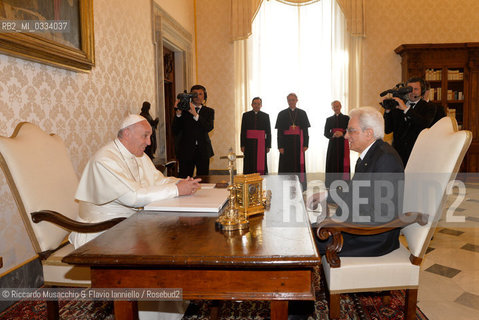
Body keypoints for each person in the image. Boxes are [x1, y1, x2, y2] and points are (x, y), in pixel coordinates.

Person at [70, 114, 201, 249]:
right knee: (169, 244)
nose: (149, 142)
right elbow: (133, 197)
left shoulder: (139, 155)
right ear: (127, 133)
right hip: (103, 232)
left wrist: (183, 183)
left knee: (174, 239)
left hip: (129, 224)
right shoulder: (105, 160)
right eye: (145, 136)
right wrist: (177, 189)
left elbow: (158, 181)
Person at [310, 107, 404, 257]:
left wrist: (338, 224)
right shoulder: (371, 154)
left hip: (373, 237)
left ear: (369, 133)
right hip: (360, 229)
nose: (346, 136)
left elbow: (382, 214)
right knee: (310, 231)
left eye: (351, 131)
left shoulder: (386, 159)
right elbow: (356, 191)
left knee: (308, 244)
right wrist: (326, 195)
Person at [383, 77, 435, 166]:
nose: (412, 92)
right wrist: (387, 111)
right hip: (398, 154)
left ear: (422, 91)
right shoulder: (398, 105)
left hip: (418, 154)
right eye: (409, 89)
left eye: (416, 89)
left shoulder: (429, 107)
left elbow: (424, 124)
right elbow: (388, 130)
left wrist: (406, 109)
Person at [172, 84, 214, 178]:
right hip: (186, 150)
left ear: (204, 96)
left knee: (203, 178)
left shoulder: (209, 111)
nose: (198, 97)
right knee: (185, 177)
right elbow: (175, 129)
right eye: (195, 94)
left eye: (200, 94)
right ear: (191, 96)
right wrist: (178, 114)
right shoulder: (184, 111)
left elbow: (209, 127)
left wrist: (195, 114)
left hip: (203, 150)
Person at [275, 93, 310, 189]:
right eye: (289, 100)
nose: (291, 102)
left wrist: (306, 144)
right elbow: (280, 132)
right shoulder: (282, 114)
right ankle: (285, 186)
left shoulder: (302, 113)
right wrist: (280, 146)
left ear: (297, 100)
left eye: (293, 100)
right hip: (286, 144)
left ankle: (300, 185)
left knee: (298, 165)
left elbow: (306, 131)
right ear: (287, 101)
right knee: (286, 165)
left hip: (299, 144)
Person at [240, 97, 271, 174]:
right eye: (255, 104)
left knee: (261, 163)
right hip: (249, 144)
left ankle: (262, 181)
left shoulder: (265, 116)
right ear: (251, 105)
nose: (256, 105)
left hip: (261, 144)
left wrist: (268, 145)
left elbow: (268, 132)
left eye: (258, 104)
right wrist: (242, 145)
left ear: (261, 105)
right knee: (249, 163)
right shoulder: (246, 115)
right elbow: (243, 131)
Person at [324, 100, 350, 190]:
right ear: (332, 108)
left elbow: (350, 130)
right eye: (334, 107)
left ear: (341, 106)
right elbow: (326, 133)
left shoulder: (347, 118)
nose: (336, 108)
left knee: (342, 162)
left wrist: (342, 134)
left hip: (343, 143)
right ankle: (331, 184)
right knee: (332, 163)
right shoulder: (329, 119)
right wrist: (333, 134)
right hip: (333, 144)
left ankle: (344, 183)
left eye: (337, 106)